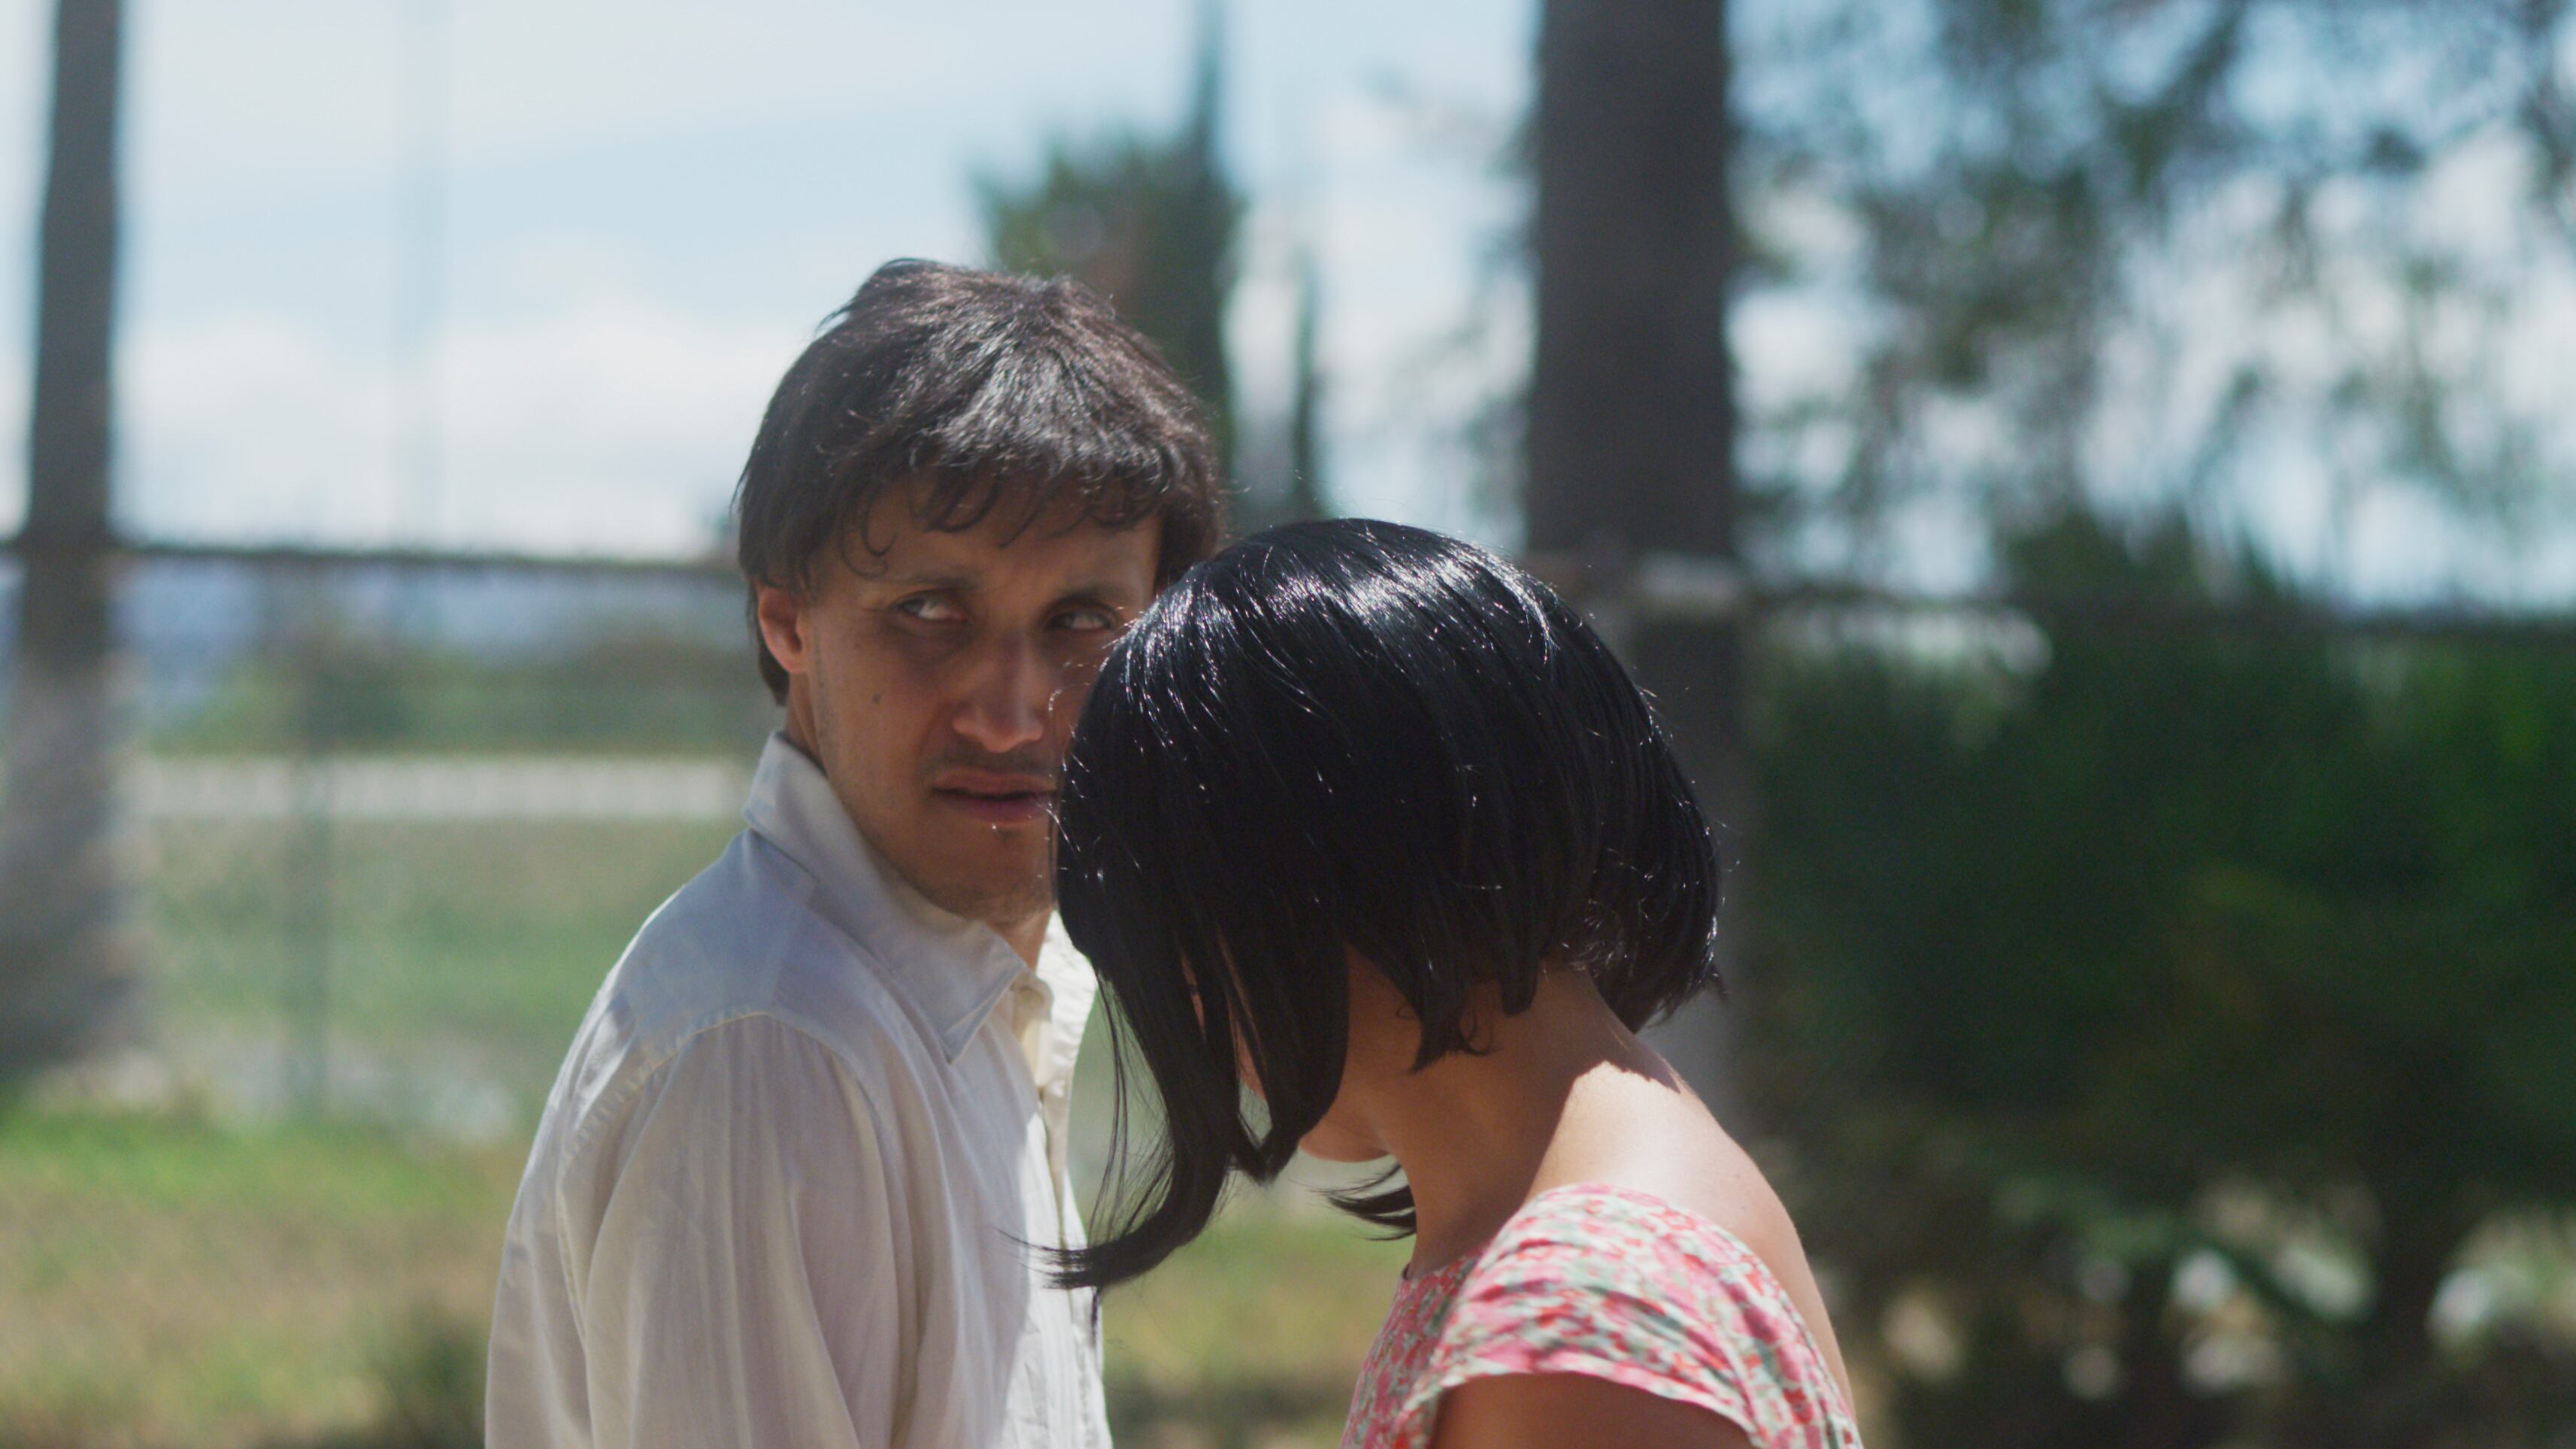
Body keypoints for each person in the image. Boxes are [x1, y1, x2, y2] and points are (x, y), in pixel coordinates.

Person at [484, 259, 1226, 1448]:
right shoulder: (777, 1047)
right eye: (930, 612)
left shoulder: (958, 987)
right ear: (787, 619)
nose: (1011, 710)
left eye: (1081, 622)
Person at [1052, 519, 1864, 1449]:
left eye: (1168, 934)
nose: (1177, 994)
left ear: (1280, 889)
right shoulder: (1614, 1188)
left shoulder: (1576, 1313)